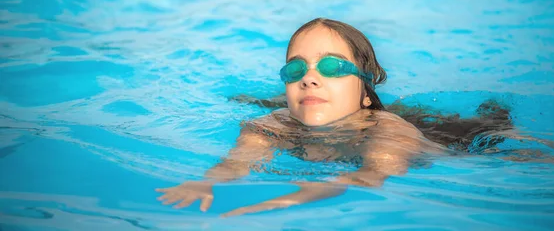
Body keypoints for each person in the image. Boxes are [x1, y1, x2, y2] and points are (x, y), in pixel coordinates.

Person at [156, 18, 506, 217]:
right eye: (296, 68)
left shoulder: (389, 132)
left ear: (365, 90)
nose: (309, 77)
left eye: (331, 67)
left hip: (465, 139)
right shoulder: (271, 125)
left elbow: (373, 175)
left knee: (505, 140)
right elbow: (236, 164)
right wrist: (204, 182)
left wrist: (289, 198)